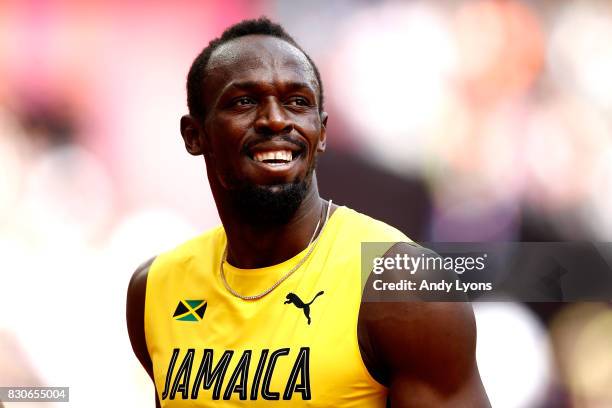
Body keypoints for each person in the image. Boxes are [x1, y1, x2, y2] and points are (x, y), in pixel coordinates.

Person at [126, 17, 490, 407]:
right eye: (244, 101)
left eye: (297, 102)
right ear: (194, 135)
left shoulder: (400, 285)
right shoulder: (155, 289)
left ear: (322, 132)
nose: (276, 120)